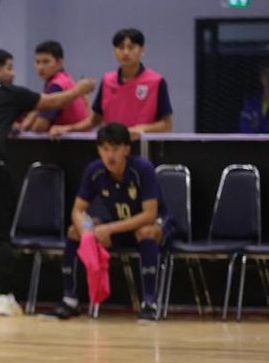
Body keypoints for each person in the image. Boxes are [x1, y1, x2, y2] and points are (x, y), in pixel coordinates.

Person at [0, 49, 96, 315]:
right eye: (9, 67)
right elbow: (53, 102)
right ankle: (4, 298)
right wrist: (80, 89)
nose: (12, 73)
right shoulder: (7, 92)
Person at [49, 123, 177, 322]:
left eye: (115, 149)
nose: (110, 155)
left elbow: (149, 215)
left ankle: (150, 303)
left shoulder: (142, 168)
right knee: (74, 231)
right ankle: (70, 300)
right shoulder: (94, 171)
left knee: (146, 231)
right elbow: (77, 210)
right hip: (120, 224)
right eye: (105, 149)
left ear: (127, 149)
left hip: (158, 224)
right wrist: (87, 231)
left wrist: (108, 228)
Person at [50, 28, 173, 140]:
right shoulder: (107, 80)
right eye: (120, 47)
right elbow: (94, 120)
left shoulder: (157, 81)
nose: (125, 52)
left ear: (142, 50)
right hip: (110, 150)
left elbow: (167, 124)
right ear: (114, 51)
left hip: (143, 148)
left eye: (131, 47)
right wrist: (67, 128)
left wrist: (142, 129)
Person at [16, 40, 90, 133]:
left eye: (46, 62)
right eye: (37, 62)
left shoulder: (56, 85)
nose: (40, 67)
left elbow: (40, 127)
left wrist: (24, 129)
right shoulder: (66, 79)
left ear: (59, 62)